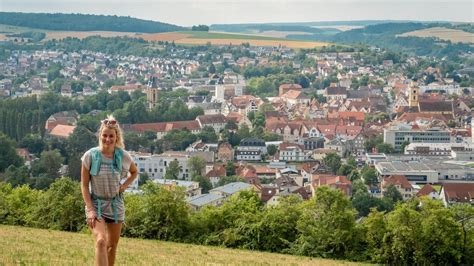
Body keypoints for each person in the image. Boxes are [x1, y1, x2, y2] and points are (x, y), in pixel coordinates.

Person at [81, 115, 138, 266]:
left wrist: (124, 186)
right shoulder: (90, 156)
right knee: (100, 242)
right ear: (100, 136)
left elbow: (134, 172)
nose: (107, 139)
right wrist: (90, 209)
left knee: (111, 248)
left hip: (115, 205)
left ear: (116, 137)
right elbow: (85, 185)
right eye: (104, 135)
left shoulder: (122, 156)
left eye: (111, 136)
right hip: (96, 205)